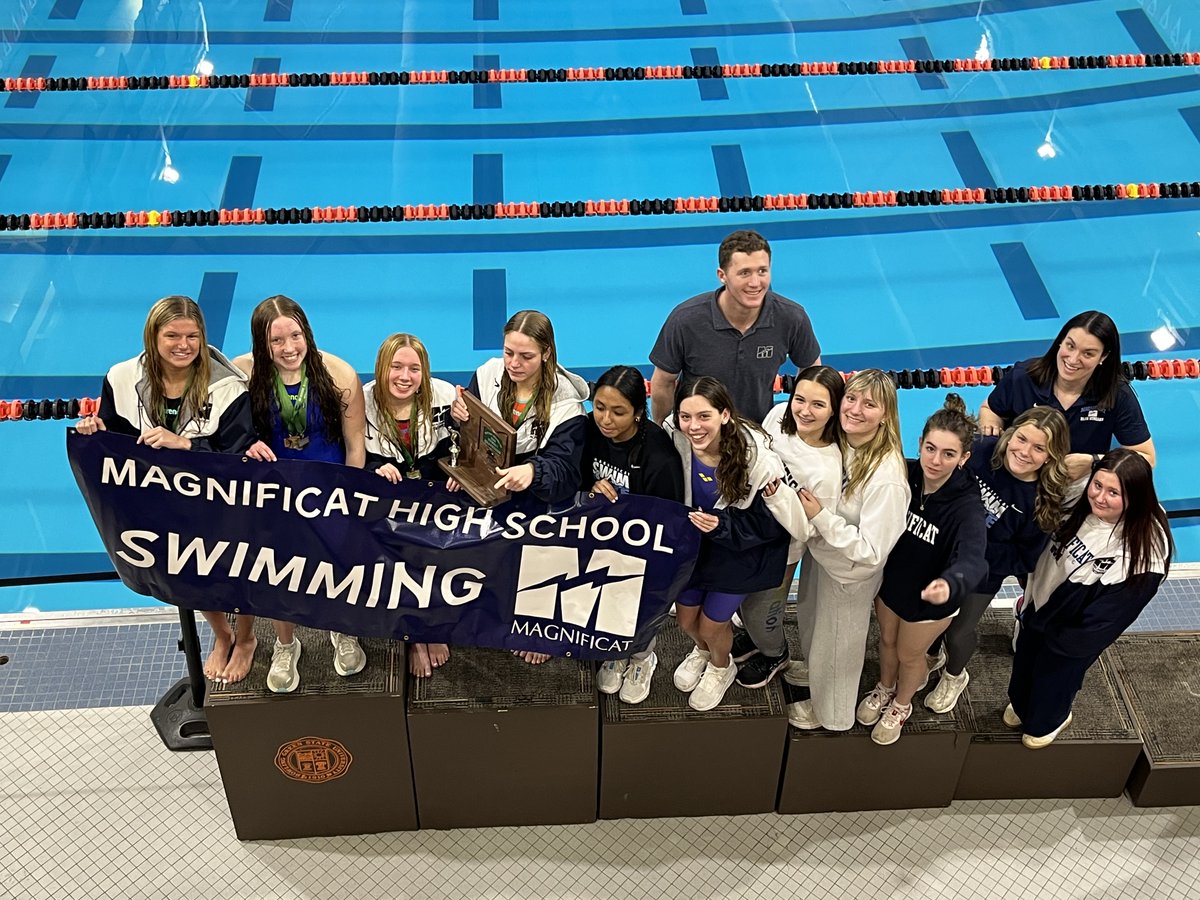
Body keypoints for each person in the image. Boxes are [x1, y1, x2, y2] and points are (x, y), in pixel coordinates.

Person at [76, 296, 258, 683]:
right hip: (162, 504)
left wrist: (188, 446)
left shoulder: (228, 388)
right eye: (172, 335)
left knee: (237, 572)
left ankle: (246, 639)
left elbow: (239, 456)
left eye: (192, 336)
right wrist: (97, 432)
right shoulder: (121, 378)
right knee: (187, 573)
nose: (184, 345)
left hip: (218, 502)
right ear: (152, 337)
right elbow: (118, 440)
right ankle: (221, 635)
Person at [235, 295, 368, 693]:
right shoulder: (243, 373)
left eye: (295, 335)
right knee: (276, 571)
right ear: (262, 343)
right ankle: (285, 643)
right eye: (277, 341)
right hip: (273, 495)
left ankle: (342, 630)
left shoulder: (339, 374)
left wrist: (345, 500)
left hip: (329, 491)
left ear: (306, 333)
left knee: (333, 565)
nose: (289, 348)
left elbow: (355, 446)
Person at [450, 309, 590, 663]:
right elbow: (469, 435)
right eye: (508, 352)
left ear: (546, 353)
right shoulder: (487, 375)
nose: (513, 363)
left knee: (538, 558)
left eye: (526, 356)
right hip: (491, 486)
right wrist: (459, 417)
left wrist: (533, 471)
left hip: (537, 497)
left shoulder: (566, 406)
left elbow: (566, 472)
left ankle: (538, 626)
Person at [1008, 449, 1172, 748]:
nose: (1100, 497)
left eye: (1113, 493)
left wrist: (1060, 641)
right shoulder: (1081, 497)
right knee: (1022, 673)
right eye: (1098, 485)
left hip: (1069, 632)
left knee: (1051, 683)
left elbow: (1105, 621)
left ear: (1134, 497)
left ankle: (1051, 720)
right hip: (1039, 607)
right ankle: (1023, 705)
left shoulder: (1141, 557)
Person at [856, 395, 989, 745]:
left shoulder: (966, 506)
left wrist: (951, 583)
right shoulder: (906, 474)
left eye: (948, 454)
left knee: (910, 654)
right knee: (886, 641)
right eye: (930, 449)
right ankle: (885, 688)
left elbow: (974, 557)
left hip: (933, 599)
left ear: (964, 458)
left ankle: (902, 704)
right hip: (895, 583)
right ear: (920, 443)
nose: (936, 460)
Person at [924, 407, 1072, 714]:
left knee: (958, 630)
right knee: (928, 614)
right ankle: (930, 654)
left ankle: (954, 674)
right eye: (1021, 439)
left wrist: (976, 553)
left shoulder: (1041, 499)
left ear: (1051, 456)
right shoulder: (981, 451)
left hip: (982, 573)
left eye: (1038, 448)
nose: (1024, 451)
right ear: (1009, 434)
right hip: (941, 550)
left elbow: (1026, 557)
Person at [787, 369, 909, 732]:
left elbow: (871, 551)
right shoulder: (847, 441)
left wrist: (821, 518)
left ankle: (832, 715)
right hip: (822, 556)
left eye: (869, 404)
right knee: (813, 628)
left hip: (849, 574)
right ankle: (818, 678)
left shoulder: (886, 477)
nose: (855, 409)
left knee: (838, 648)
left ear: (885, 414)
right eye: (851, 399)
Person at [669, 376, 799, 712]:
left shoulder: (758, 462)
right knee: (685, 621)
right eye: (686, 417)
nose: (693, 427)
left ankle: (721, 666)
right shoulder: (674, 440)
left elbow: (774, 527)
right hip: (697, 550)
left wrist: (721, 525)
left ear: (725, 415)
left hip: (739, 555)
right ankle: (702, 652)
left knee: (713, 625)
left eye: (704, 417)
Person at [733, 365, 845, 689]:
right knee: (742, 602)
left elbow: (809, 531)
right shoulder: (779, 415)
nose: (804, 411)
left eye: (818, 405)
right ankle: (757, 640)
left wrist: (777, 496)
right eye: (800, 399)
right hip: (748, 528)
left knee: (760, 610)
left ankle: (775, 654)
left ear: (834, 409)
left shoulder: (827, 467)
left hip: (781, 551)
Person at [584, 365, 685, 704]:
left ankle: (643, 657)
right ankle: (616, 649)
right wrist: (589, 485)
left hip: (644, 546)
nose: (605, 420)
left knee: (640, 606)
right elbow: (574, 474)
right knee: (606, 600)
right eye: (599, 407)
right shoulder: (589, 433)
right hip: (602, 539)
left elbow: (669, 521)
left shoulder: (659, 456)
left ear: (639, 413)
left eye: (618, 412)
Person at [648, 230, 821, 425]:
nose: (755, 283)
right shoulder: (685, 320)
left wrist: (799, 422)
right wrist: (664, 434)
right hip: (698, 434)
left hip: (758, 434)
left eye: (762, 271)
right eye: (744, 273)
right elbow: (663, 382)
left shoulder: (791, 317)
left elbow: (812, 372)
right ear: (722, 275)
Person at [363, 332, 456, 678]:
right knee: (399, 564)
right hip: (386, 505)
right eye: (396, 367)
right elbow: (348, 458)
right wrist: (374, 469)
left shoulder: (445, 398)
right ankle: (416, 636)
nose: (405, 377)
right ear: (382, 367)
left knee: (438, 562)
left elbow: (464, 450)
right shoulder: (361, 403)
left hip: (433, 500)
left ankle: (432, 625)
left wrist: (458, 470)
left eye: (414, 369)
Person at [979, 310, 1154, 481]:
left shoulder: (1116, 393)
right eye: (1070, 346)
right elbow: (990, 409)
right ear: (1060, 342)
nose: (1072, 359)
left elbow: (1147, 457)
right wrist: (991, 428)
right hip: (1021, 473)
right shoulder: (1025, 376)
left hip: (1074, 482)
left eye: (1088, 353)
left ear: (1104, 356)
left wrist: (1093, 462)